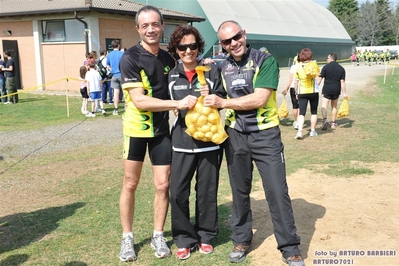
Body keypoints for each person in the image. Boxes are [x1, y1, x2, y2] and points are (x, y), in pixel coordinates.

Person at [203, 20, 304, 266]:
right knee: (239, 191)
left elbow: (260, 98)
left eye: (236, 37)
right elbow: (213, 94)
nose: (233, 43)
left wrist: (222, 103)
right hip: (235, 135)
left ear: (244, 34)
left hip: (265, 135)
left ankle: (289, 247)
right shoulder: (222, 66)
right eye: (226, 41)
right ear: (222, 45)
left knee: (277, 191)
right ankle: (241, 240)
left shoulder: (264, 60)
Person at [118, 5, 197, 262]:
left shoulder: (168, 58)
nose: (150, 29)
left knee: (163, 185)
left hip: (162, 131)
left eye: (155, 24)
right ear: (138, 29)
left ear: (162, 26)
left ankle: (158, 234)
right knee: (130, 184)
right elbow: (140, 101)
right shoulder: (129, 58)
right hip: (137, 131)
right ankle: (127, 238)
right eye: (145, 25)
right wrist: (176, 105)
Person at [166, 25, 226, 260]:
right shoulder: (171, 75)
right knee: (178, 193)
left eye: (192, 46)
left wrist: (212, 96)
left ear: (198, 47)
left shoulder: (211, 71)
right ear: (176, 50)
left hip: (210, 144)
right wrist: (177, 105)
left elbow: (223, 98)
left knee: (207, 193)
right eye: (183, 47)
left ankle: (206, 236)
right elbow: (166, 104)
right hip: (181, 143)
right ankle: (184, 238)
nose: (188, 51)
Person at [293, 48, 320, 139]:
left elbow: (296, 82)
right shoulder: (314, 65)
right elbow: (318, 75)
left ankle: (300, 131)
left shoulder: (298, 66)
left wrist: (296, 92)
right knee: (314, 112)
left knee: (302, 113)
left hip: (302, 91)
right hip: (313, 91)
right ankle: (312, 131)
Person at [317, 53, 347, 130]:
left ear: (331, 58)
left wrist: (315, 88)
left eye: (327, 58)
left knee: (324, 105)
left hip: (327, 89)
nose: (326, 59)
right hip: (336, 89)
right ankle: (333, 123)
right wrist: (344, 93)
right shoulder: (341, 68)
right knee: (334, 106)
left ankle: (324, 120)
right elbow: (342, 81)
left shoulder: (325, 67)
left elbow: (320, 79)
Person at [106, 40, 124, 115]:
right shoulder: (122, 54)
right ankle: (126, 108)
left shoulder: (109, 55)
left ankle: (116, 110)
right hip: (122, 75)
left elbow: (107, 66)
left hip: (114, 75)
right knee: (125, 92)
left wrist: (112, 69)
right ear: (118, 45)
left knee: (115, 93)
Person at [282, 59, 299, 129]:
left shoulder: (293, 67)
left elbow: (290, 79)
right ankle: (300, 120)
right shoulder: (303, 66)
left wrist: (286, 89)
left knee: (295, 106)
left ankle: (296, 121)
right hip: (302, 88)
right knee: (301, 105)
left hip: (293, 87)